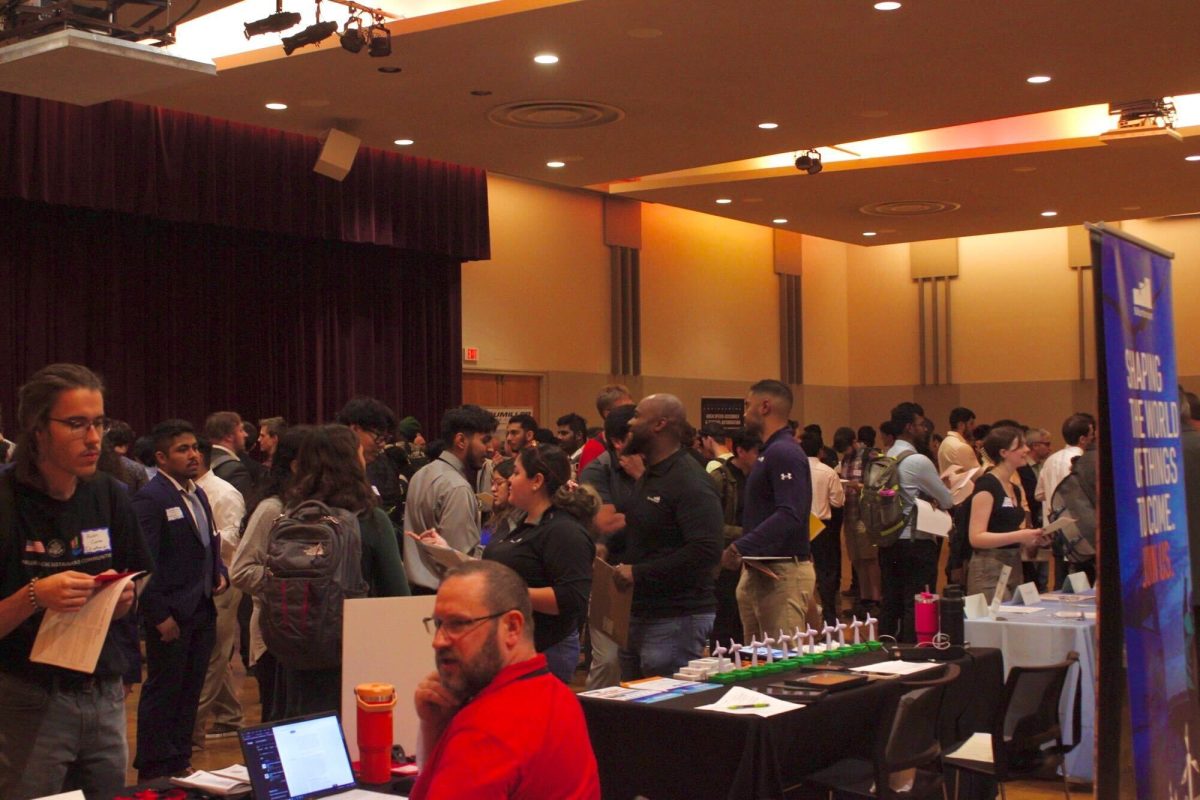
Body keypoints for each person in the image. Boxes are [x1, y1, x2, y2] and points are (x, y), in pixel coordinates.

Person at [0, 364, 150, 800]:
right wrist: (35, 595)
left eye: (99, 423)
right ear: (37, 429)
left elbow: (141, 574)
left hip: (104, 694)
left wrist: (127, 596)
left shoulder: (109, 493)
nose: (93, 438)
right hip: (28, 697)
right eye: (76, 424)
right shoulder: (7, 503)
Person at [410, 560, 600, 799]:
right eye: (439, 624)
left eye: (458, 624)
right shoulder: (558, 695)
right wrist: (434, 728)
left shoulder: (486, 732)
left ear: (512, 627)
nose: (438, 641)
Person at [276, 424, 409, 716]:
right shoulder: (370, 519)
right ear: (352, 462)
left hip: (297, 646)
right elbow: (397, 596)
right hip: (355, 653)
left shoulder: (290, 516)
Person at [133, 419, 228, 780]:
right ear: (161, 457)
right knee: (164, 690)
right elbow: (144, 563)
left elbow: (208, 542)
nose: (193, 455)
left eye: (195, 448)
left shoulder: (198, 493)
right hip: (170, 614)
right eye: (183, 449)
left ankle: (179, 759)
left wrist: (219, 570)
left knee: (190, 689)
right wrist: (158, 615)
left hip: (201, 608)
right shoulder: (151, 498)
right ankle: (154, 765)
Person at [612, 393, 723, 680]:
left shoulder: (690, 480)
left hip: (676, 618)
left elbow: (706, 550)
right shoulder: (652, 474)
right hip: (640, 614)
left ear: (659, 424)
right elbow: (647, 531)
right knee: (636, 712)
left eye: (636, 416)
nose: (630, 423)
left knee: (666, 713)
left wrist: (639, 572)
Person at [484, 446, 596, 682]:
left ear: (537, 481)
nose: (510, 480)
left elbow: (572, 598)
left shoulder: (564, 531)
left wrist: (509, 592)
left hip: (545, 651)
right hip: (512, 646)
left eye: (515, 473)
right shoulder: (525, 521)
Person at [721, 380, 815, 642]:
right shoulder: (770, 452)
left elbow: (790, 514)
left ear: (764, 407)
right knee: (759, 664)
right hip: (761, 571)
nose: (744, 413)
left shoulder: (784, 452)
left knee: (783, 666)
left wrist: (741, 547)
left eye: (747, 405)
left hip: (781, 573)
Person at [230, 425, 311, 722]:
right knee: (278, 722)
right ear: (295, 465)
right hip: (272, 635)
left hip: (303, 634)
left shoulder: (312, 507)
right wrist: (287, 582)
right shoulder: (271, 509)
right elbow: (240, 570)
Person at [880, 402, 954, 642]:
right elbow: (948, 500)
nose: (925, 430)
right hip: (915, 541)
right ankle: (914, 652)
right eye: (921, 425)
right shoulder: (918, 461)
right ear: (910, 427)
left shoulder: (884, 456)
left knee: (891, 599)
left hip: (887, 539)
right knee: (917, 601)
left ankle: (886, 648)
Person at [403, 405, 496, 591]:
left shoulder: (421, 474)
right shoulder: (457, 487)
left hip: (416, 590)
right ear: (461, 440)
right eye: (485, 441)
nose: (490, 449)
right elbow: (460, 560)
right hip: (444, 592)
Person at [192, 437, 247, 744]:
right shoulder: (189, 492)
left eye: (191, 450)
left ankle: (191, 727)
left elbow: (234, 537)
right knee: (217, 650)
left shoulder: (224, 493)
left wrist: (199, 537)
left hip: (224, 579)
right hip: (202, 581)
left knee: (214, 654)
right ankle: (230, 716)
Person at [965, 426, 1048, 601]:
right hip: (988, 569)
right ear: (1004, 452)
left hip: (1013, 567)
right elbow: (976, 537)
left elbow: (1009, 532)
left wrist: (1033, 539)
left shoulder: (1014, 488)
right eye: (1020, 446)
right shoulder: (987, 485)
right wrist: (1019, 535)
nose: (1027, 450)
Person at [709, 428, 759, 644]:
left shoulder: (760, 476)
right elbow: (710, 525)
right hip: (725, 562)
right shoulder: (719, 478)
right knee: (725, 623)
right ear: (741, 451)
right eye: (757, 452)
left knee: (747, 623)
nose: (761, 458)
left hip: (752, 560)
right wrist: (749, 534)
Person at [801, 430, 845, 624]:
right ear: (821, 451)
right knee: (826, 570)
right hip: (822, 524)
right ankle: (829, 615)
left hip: (801, 523)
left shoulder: (795, 470)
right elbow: (837, 502)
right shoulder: (828, 471)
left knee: (802, 568)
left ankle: (804, 615)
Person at [577, 384, 634, 471]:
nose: (632, 412)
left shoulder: (638, 441)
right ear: (607, 413)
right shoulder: (593, 448)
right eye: (625, 408)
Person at [205, 411, 259, 498]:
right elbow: (239, 508)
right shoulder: (236, 470)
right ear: (229, 437)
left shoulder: (202, 461)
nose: (245, 435)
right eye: (241, 430)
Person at [938, 407, 979, 475]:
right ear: (961, 425)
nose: (974, 427)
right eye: (971, 424)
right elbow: (978, 476)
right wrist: (987, 461)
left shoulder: (945, 442)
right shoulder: (961, 447)